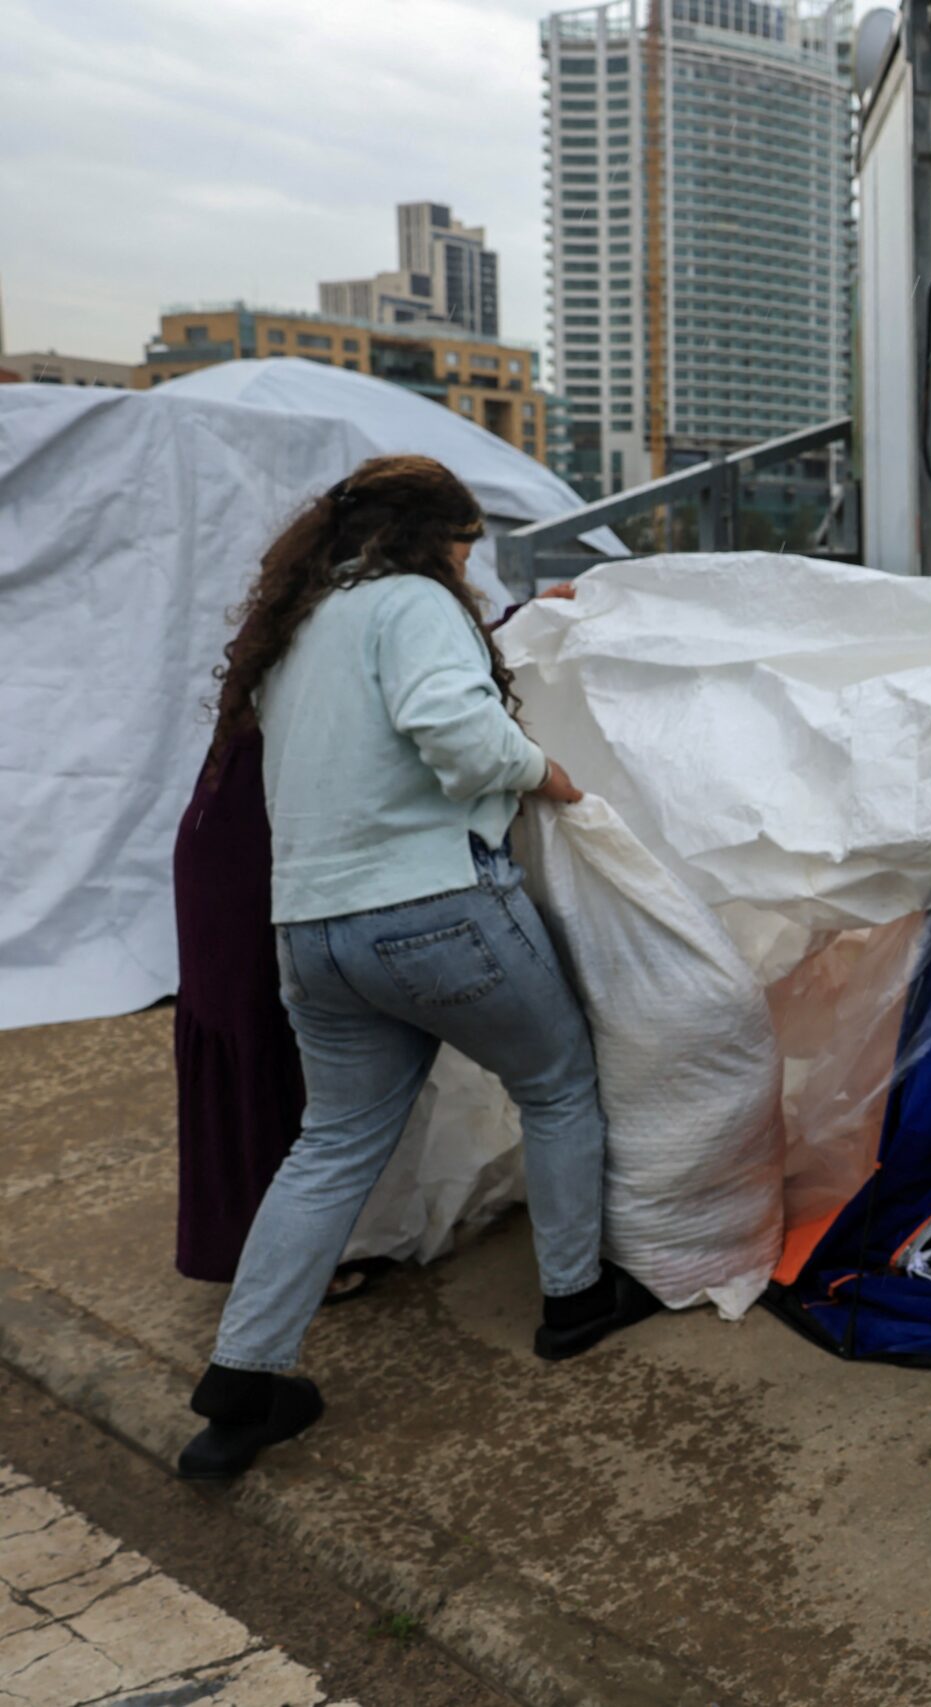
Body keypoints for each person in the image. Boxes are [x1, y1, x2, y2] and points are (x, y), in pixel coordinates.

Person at [178, 455, 655, 1482]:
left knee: (330, 1144)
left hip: (312, 932)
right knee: (557, 1082)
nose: (468, 569)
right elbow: (456, 734)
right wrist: (545, 773)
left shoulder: (298, 627)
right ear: (431, 539)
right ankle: (575, 1300)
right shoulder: (414, 602)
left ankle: (240, 1383)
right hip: (434, 911)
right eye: (467, 549)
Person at [172, 584, 575, 1300]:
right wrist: (538, 768)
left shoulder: (311, 612)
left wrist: (520, 616)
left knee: (320, 1109)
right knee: (271, 1055)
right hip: (263, 856)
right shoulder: (365, 608)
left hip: (261, 850)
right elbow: (439, 704)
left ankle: (267, 1298)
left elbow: (416, 675)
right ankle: (276, 1251)